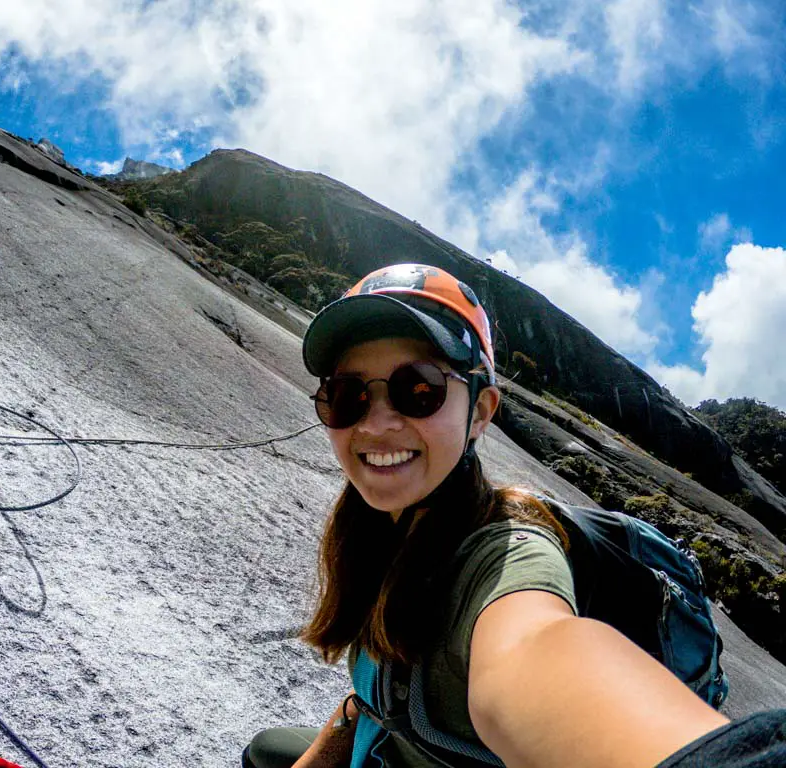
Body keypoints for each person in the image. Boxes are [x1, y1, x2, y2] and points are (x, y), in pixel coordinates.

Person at [244, 263, 786, 767]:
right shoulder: (376, 531)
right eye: (346, 394)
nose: (376, 424)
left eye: (420, 390)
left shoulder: (510, 553)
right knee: (269, 751)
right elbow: (374, 696)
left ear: (480, 411)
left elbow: (533, 652)